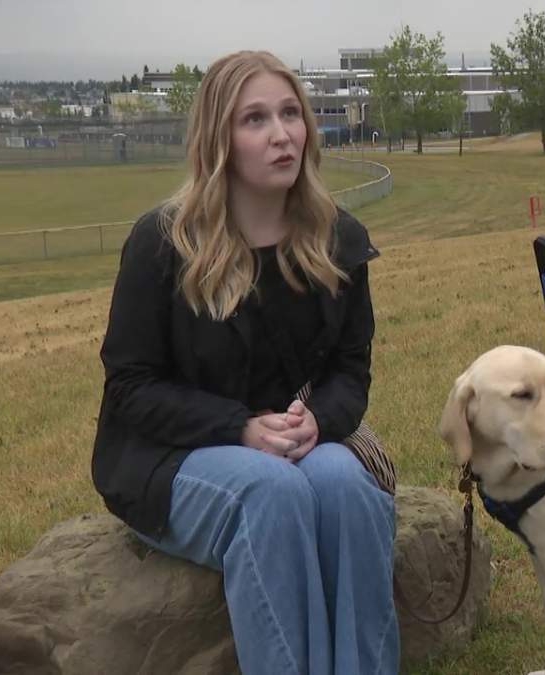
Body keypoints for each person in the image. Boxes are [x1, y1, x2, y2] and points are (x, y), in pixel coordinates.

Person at [91, 50, 397, 675]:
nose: (281, 134)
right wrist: (239, 428)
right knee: (273, 493)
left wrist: (320, 419)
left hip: (294, 444)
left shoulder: (336, 238)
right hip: (173, 456)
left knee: (345, 484)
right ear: (219, 138)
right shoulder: (164, 242)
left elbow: (350, 371)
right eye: (255, 119)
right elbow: (130, 386)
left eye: (291, 114)